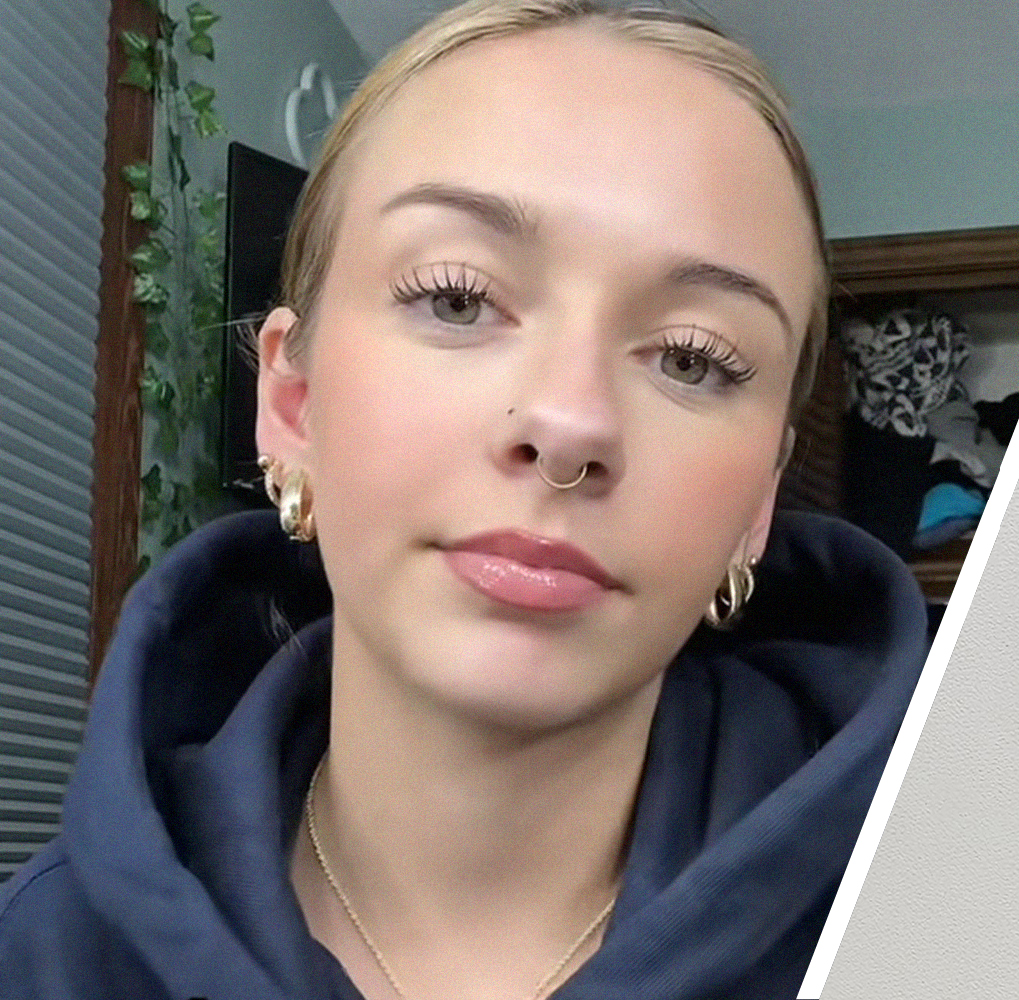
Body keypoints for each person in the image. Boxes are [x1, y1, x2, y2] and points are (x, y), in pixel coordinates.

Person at [0, 2, 929, 998]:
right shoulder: (41, 957)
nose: (569, 421)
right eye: (457, 298)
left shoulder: (955, 934)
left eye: (693, 358)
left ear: (759, 500)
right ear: (292, 401)